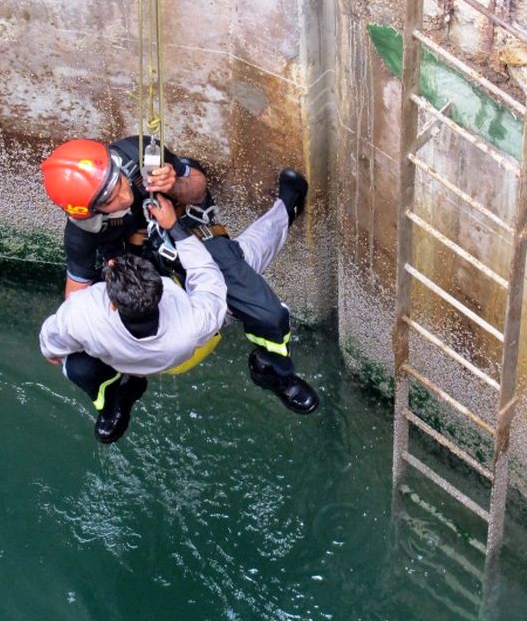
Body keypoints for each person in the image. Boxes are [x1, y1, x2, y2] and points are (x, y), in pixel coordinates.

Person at [39, 135, 319, 415]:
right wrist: (80, 328)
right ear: (91, 211)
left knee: (267, 311)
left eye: (119, 183)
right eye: (111, 200)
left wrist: (174, 185)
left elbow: (197, 191)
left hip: (183, 235)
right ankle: (117, 398)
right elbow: (76, 293)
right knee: (79, 366)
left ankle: (274, 371)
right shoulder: (84, 231)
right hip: (138, 268)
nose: (124, 196)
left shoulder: (139, 154)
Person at [39, 195, 227, 443]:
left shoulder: (83, 314)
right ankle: (127, 392)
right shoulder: (192, 322)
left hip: (126, 354)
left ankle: (119, 398)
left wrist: (50, 351)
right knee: (128, 367)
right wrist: (176, 229)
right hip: (166, 358)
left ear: (113, 304)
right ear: (160, 289)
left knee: (77, 368)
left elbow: (52, 339)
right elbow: (210, 280)